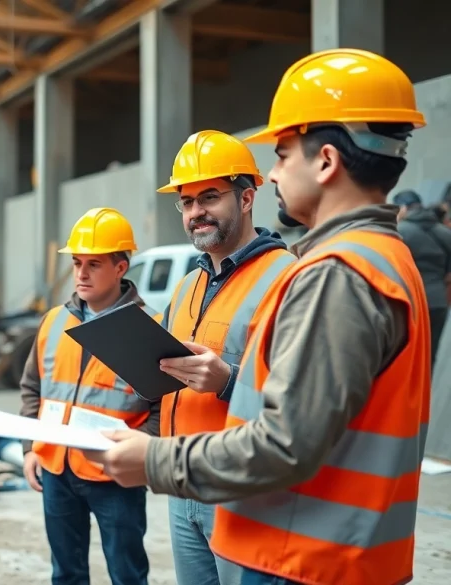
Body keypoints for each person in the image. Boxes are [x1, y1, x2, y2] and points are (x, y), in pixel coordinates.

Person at [83, 48, 432, 585]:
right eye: (186, 201)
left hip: (306, 553)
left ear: (326, 161)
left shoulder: (334, 274)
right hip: (318, 543)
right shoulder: (382, 258)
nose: (273, 172)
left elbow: (285, 442)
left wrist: (154, 459)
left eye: (283, 154)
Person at [153, 130, 295, 585]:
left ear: (247, 198)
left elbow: (302, 399)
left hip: (244, 488)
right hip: (183, 482)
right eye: (187, 202)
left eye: (210, 197)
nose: (196, 212)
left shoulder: (287, 278)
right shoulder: (186, 287)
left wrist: (229, 381)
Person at [18, 207, 160, 585]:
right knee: (66, 574)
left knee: (127, 575)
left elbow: (165, 407)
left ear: (120, 267)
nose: (81, 273)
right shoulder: (53, 321)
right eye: (77, 263)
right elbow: (33, 388)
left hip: (115, 475)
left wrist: (141, 452)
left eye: (94, 264)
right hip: (56, 469)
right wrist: (30, 448)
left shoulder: (149, 329)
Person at [393, 189, 451, 363]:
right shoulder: (444, 232)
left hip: (409, 302)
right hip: (438, 301)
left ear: (403, 208)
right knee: (429, 355)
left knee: (403, 356)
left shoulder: (399, 231)